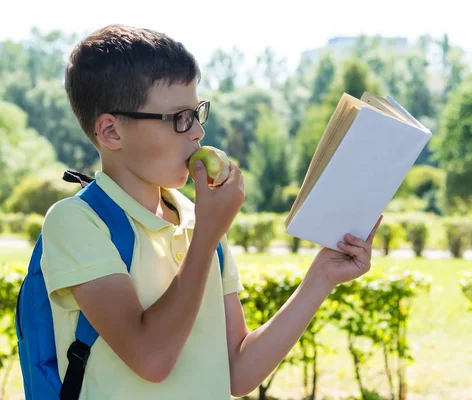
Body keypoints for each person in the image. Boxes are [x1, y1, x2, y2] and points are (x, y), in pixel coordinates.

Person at [40, 24, 382, 399]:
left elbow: (237, 371)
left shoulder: (196, 218)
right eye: (178, 118)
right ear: (111, 132)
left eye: (197, 113)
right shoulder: (77, 222)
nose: (198, 132)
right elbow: (151, 358)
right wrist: (206, 236)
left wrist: (321, 277)